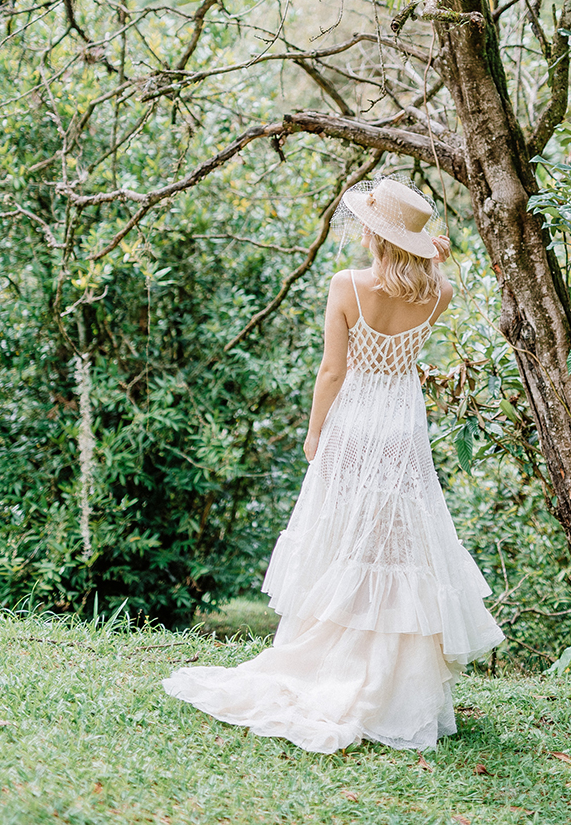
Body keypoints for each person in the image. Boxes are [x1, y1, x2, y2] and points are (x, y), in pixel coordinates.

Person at [163, 176, 505, 753]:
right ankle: (392, 675)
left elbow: (332, 371)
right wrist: (435, 260)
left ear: (375, 236)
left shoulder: (346, 284)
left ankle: (331, 656)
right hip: (401, 423)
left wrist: (315, 428)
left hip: (352, 423)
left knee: (344, 535)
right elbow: (439, 280)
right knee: (395, 542)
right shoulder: (437, 294)